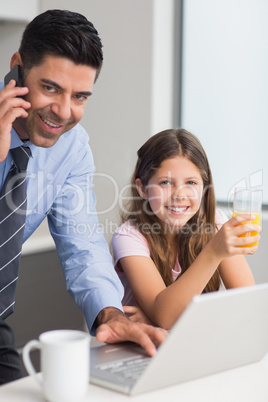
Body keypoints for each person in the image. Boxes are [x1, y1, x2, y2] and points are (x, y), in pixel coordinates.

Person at [0, 9, 166, 383]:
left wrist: (111, 314)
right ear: (18, 67)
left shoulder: (72, 148)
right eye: (51, 88)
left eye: (80, 96)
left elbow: (83, 245)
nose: (63, 112)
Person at [112, 128, 260, 329]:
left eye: (191, 182)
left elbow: (247, 305)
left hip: (189, 344)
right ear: (143, 189)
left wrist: (153, 320)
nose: (179, 195)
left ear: (204, 188)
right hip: (138, 350)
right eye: (165, 183)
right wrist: (214, 252)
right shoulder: (129, 237)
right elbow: (166, 316)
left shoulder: (215, 222)